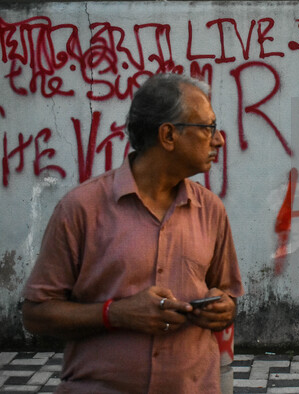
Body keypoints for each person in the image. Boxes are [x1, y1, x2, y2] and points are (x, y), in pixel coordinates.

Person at [21, 72, 243, 393]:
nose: (219, 139)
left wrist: (223, 308)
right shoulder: (81, 209)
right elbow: (36, 315)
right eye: (208, 127)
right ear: (168, 135)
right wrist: (116, 314)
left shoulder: (210, 209)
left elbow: (227, 294)